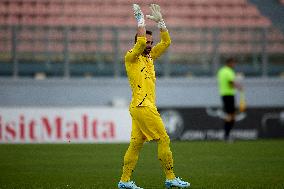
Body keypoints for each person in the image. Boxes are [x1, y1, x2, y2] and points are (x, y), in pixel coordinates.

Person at [118, 4, 190, 189]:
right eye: (147, 42)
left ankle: (124, 181)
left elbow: (166, 43)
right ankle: (170, 177)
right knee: (164, 139)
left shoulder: (149, 57)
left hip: (139, 106)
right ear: (137, 43)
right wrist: (140, 19)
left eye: (151, 43)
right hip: (143, 106)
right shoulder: (131, 57)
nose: (149, 45)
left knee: (135, 145)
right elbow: (141, 43)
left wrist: (161, 23)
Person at [217, 57, 243, 142]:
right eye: (233, 63)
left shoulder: (221, 71)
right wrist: (239, 87)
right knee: (231, 115)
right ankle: (226, 135)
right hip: (229, 95)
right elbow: (230, 84)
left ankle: (226, 135)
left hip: (223, 94)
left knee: (230, 115)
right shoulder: (229, 72)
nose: (234, 65)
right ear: (229, 63)